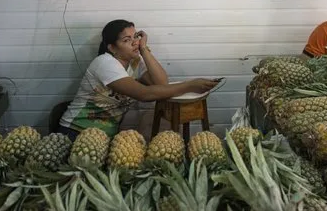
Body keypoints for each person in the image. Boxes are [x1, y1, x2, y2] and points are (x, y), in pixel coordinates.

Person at [58, 20, 219, 139]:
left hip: (104, 136)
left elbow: (161, 84)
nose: (134, 42)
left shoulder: (135, 63)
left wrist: (143, 49)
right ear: (112, 48)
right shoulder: (105, 63)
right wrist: (190, 85)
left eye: (135, 37)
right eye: (126, 40)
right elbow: (145, 94)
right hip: (76, 131)